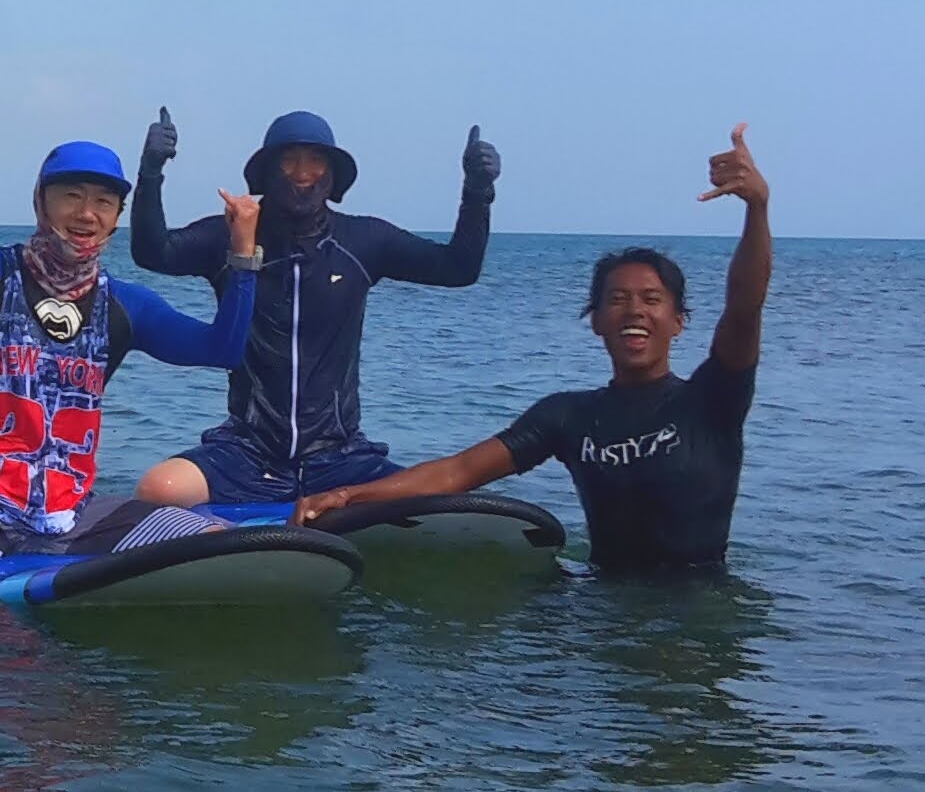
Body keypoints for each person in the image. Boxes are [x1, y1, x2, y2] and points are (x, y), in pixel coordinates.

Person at [294, 125, 771, 572]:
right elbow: (458, 472)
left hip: (698, 604)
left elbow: (745, 309)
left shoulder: (711, 403)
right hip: (599, 603)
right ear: (597, 322)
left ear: (678, 322)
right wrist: (349, 496)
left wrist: (757, 209)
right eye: (618, 300)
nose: (635, 311)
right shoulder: (568, 417)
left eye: (651, 300)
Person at [0, 123, 261, 573]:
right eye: (71, 196)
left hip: (76, 517)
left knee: (218, 545)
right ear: (41, 202)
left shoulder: (124, 305)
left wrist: (243, 254)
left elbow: (223, 350)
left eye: (103, 202)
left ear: (117, 217)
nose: (87, 214)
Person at [127, 108, 500, 506]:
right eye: (290, 160)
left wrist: (477, 192)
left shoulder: (363, 240)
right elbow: (153, 252)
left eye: (316, 159)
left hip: (343, 459)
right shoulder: (233, 235)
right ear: (268, 171)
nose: (303, 172)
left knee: (443, 505)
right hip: (248, 453)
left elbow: (458, 269)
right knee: (158, 489)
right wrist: (151, 173)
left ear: (333, 174)